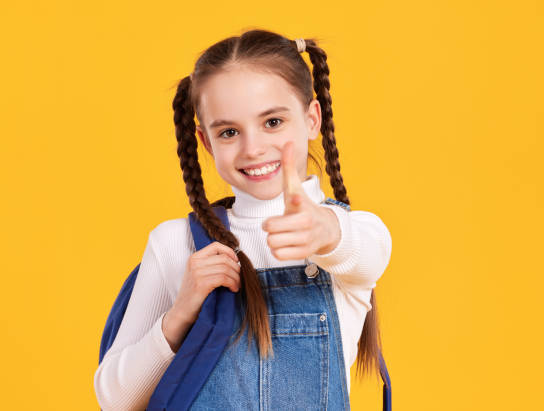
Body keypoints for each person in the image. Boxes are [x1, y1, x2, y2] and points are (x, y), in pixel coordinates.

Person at [94, 28, 392, 410]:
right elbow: (115, 401)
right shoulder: (175, 244)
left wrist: (326, 231)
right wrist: (180, 312)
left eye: (272, 123)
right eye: (230, 131)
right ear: (206, 142)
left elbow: (368, 249)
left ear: (312, 118)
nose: (253, 148)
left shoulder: (350, 237)